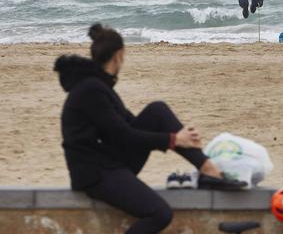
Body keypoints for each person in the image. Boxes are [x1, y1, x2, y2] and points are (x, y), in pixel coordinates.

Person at [54, 23, 246, 234]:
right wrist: (174, 140)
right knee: (160, 214)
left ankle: (209, 170)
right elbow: (125, 135)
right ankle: (210, 171)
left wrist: (178, 137)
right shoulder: (92, 90)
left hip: (108, 162)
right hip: (95, 174)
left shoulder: (98, 86)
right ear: (119, 55)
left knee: (157, 111)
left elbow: (130, 124)